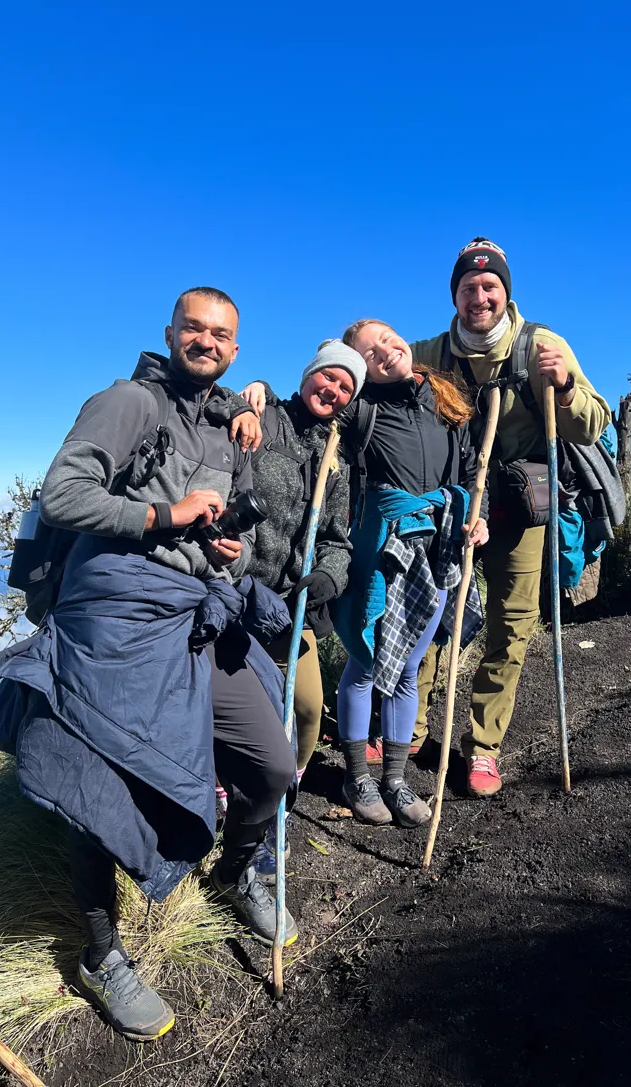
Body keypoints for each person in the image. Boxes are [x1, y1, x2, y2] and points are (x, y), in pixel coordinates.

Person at [0, 287, 299, 1043]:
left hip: (191, 610)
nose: (206, 342)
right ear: (170, 332)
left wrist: (229, 549)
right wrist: (164, 516)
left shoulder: (229, 429)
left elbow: (225, 537)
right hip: (114, 613)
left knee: (272, 765)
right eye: (194, 328)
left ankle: (235, 871)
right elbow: (63, 496)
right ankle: (102, 955)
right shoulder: (129, 401)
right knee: (101, 784)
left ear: (235, 349)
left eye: (221, 335)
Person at [410, 238, 612, 797]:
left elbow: (593, 423)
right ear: (454, 295)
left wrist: (564, 386)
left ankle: (482, 746)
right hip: (454, 505)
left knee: (512, 625)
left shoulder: (541, 344)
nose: (479, 297)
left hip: (522, 509)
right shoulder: (428, 353)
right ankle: (409, 729)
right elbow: (362, 361)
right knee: (429, 615)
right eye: (468, 287)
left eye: (490, 286)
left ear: (505, 291)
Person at [334, 319, 489, 827]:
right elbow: (307, 408)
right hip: (380, 550)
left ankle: (395, 781)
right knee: (364, 663)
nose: (384, 351)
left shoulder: (445, 400)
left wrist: (479, 518)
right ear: (360, 370)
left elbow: (471, 472)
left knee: (407, 668)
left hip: (438, 549)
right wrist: (256, 393)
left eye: (387, 338)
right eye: (368, 352)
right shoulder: (361, 409)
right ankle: (357, 777)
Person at [238, 339, 367, 877]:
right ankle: (242, 811)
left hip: (294, 608)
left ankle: (280, 797)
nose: (332, 390)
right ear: (309, 373)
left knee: (308, 709)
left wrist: (329, 576)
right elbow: (221, 423)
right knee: (240, 711)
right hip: (238, 593)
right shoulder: (265, 418)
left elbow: (337, 539)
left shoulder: (336, 459)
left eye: (345, 387)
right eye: (328, 376)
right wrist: (250, 398)